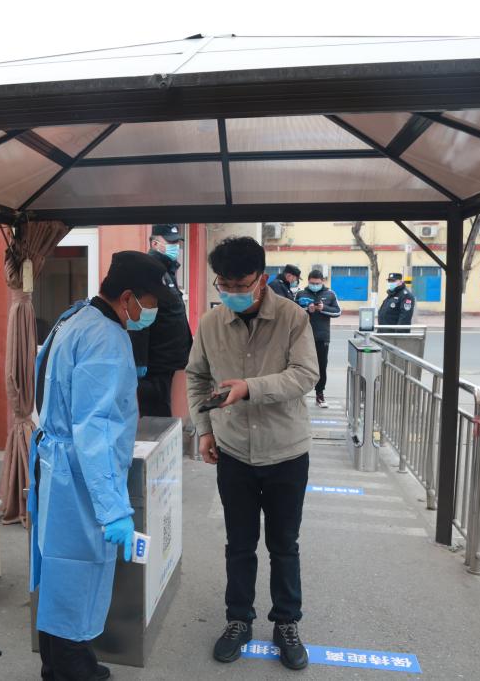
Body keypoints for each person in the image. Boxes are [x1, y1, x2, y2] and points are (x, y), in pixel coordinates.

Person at [29, 251, 170, 681]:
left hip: (58, 465)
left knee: (59, 574)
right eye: (149, 303)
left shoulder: (75, 316)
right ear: (127, 297)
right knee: (79, 577)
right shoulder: (106, 340)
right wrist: (114, 510)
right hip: (79, 475)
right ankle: (72, 670)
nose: (151, 313)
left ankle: (59, 665)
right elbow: (98, 430)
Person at [185, 237, 319, 672]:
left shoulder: (293, 318)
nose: (231, 291)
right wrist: (205, 430)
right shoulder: (211, 323)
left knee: (284, 545)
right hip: (234, 452)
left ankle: (287, 623)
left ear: (261, 279)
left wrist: (249, 388)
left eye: (240, 284)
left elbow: (306, 375)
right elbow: (196, 377)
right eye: (223, 283)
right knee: (239, 544)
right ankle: (238, 619)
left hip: (286, 452)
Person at [129, 224, 193, 417]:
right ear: (155, 243)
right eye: (171, 242)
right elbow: (139, 317)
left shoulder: (166, 272)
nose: (176, 247)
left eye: (177, 242)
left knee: (167, 415)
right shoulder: (148, 272)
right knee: (155, 418)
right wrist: (140, 362)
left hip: (170, 364)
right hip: (155, 366)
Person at [296, 270, 341, 408]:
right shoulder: (301, 294)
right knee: (301, 366)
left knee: (321, 366)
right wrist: (306, 309)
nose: (314, 285)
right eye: (312, 283)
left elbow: (337, 312)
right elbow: (293, 311)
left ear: (322, 282)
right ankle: (299, 394)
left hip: (322, 337)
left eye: (317, 283)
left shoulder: (330, 294)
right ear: (308, 281)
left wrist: (323, 308)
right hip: (303, 337)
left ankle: (319, 394)